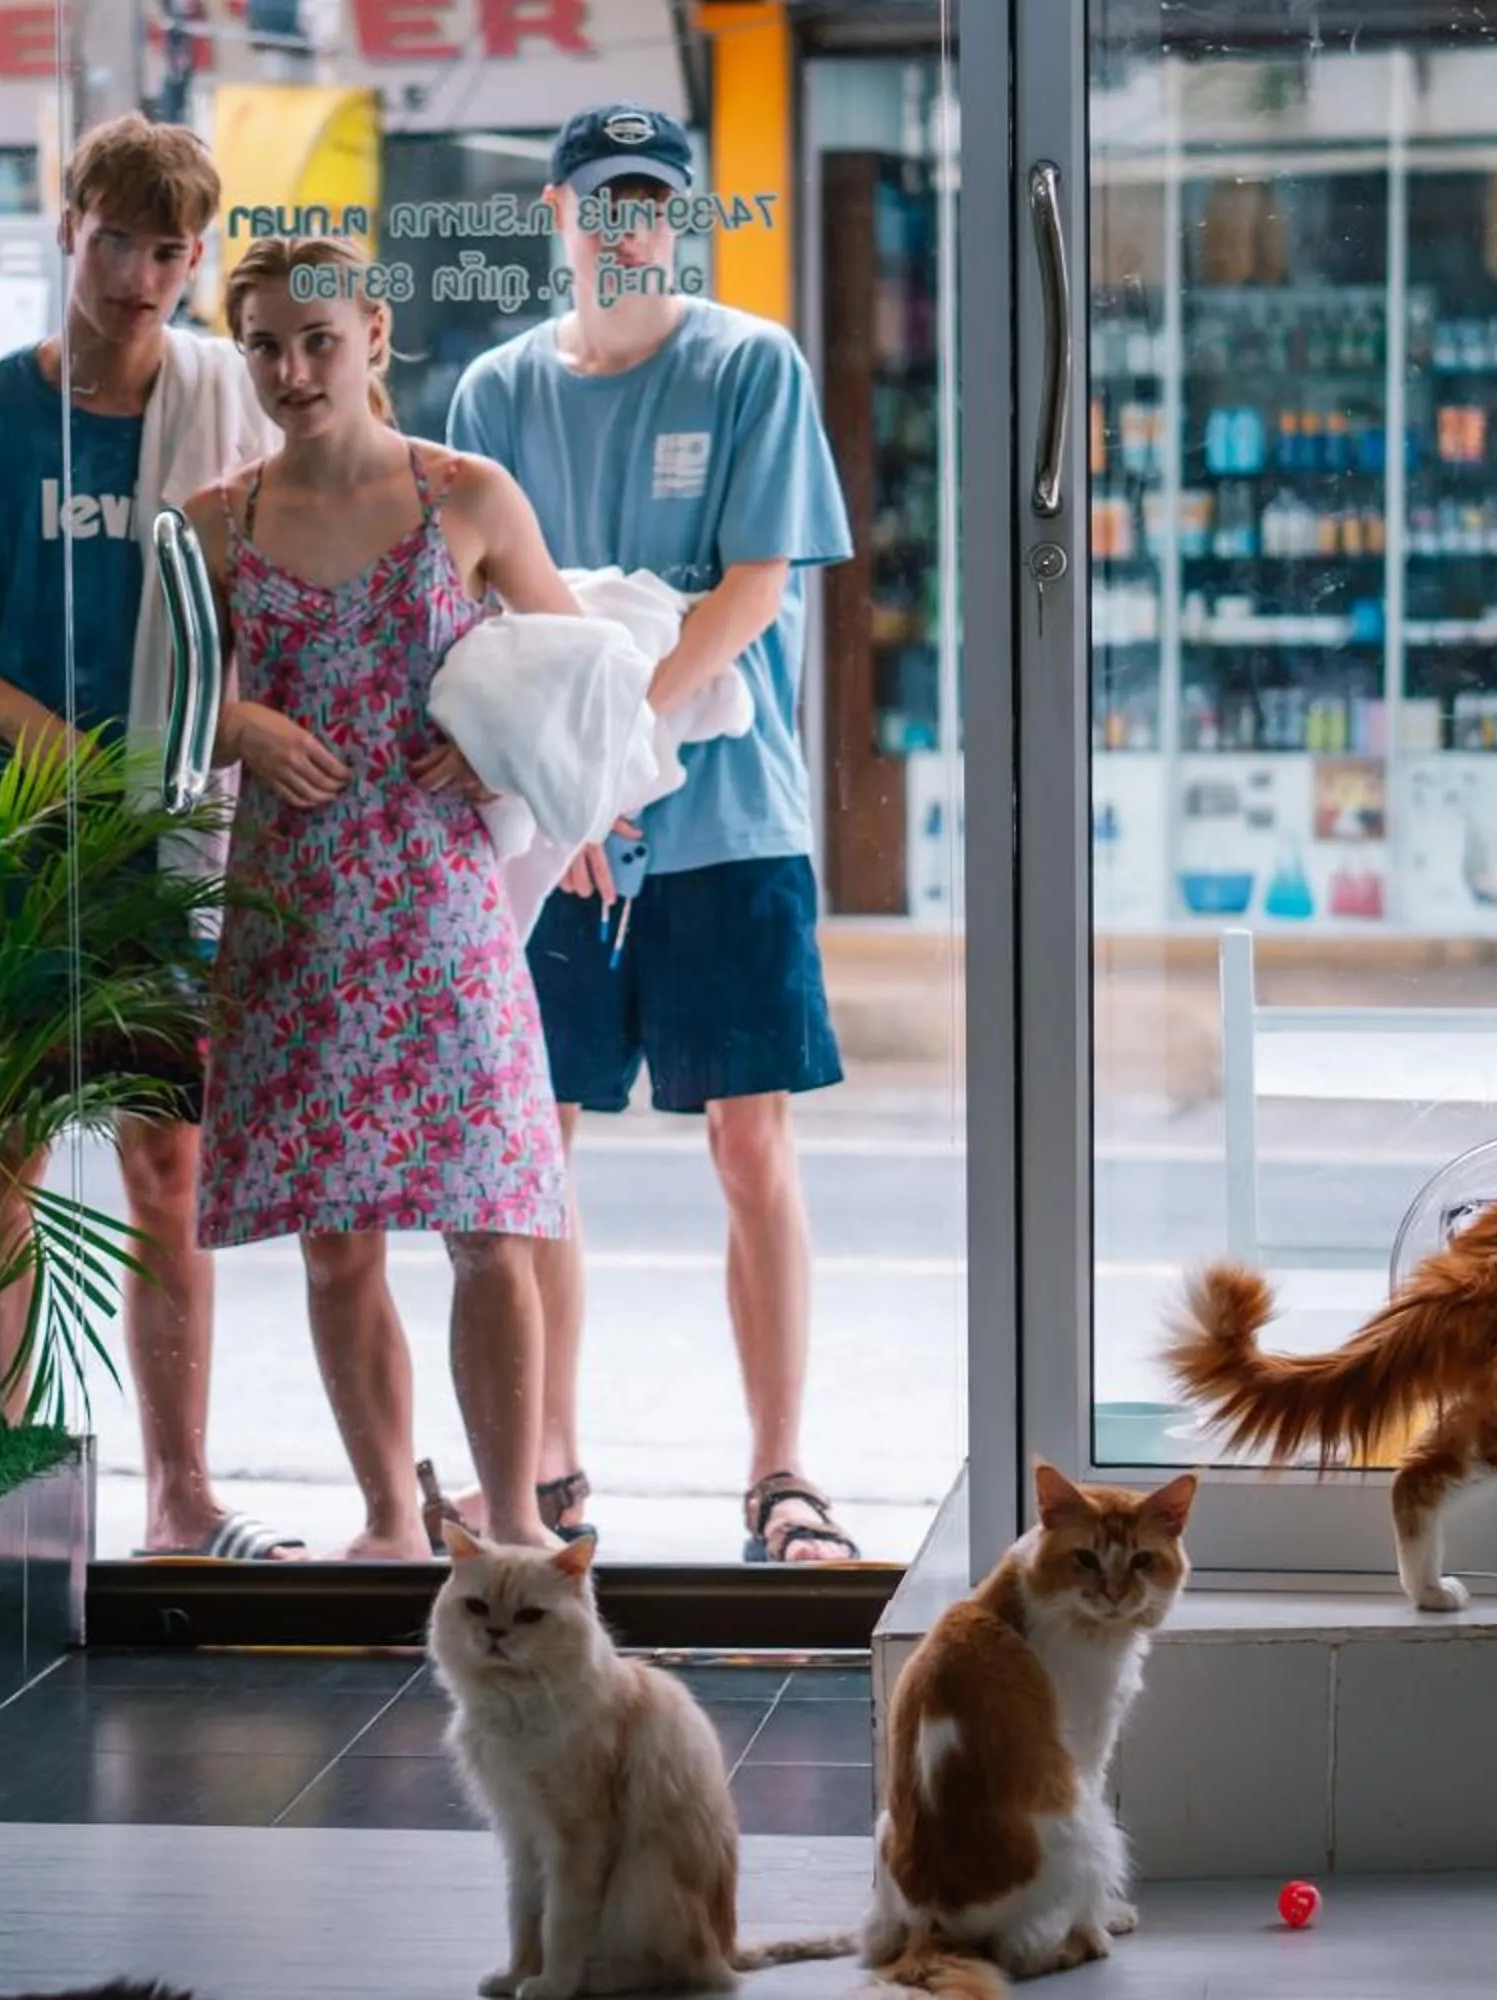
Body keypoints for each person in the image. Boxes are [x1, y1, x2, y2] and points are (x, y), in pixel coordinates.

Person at [0, 114, 295, 1560]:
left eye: (171, 250)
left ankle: (180, 1492)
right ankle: (7, 1482)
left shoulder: (234, 406)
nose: (142, 275)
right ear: (67, 231)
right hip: (17, 840)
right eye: (117, 240)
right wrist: (47, 739)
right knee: (7, 1161)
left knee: (168, 1169)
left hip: (177, 844)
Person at [445, 104, 860, 1563]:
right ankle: (549, 1465)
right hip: (547, 831)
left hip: (724, 823)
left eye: (653, 202)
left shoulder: (751, 365)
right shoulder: (496, 393)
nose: (626, 226)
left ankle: (781, 1473)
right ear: (557, 217)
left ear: (678, 219)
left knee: (752, 1148)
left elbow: (750, 591)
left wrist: (613, 769)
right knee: (531, 1147)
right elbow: (490, 614)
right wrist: (566, 796)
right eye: (600, 201)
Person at [182, 234, 579, 1559]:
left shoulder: (468, 495)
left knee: (489, 1226)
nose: (293, 370)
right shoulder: (213, 523)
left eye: (317, 341)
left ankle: (514, 1526)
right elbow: (153, 711)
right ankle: (389, 1521)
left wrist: (496, 738)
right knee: (334, 1240)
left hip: (441, 906)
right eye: (264, 346)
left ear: (375, 340)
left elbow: (581, 670)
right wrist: (235, 722)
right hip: (290, 916)